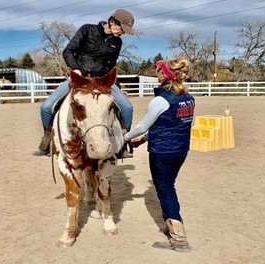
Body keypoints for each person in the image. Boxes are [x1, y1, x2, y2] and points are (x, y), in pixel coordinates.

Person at [33, 9, 135, 157]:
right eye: (122, 29)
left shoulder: (117, 42)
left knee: (127, 107)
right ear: (112, 22)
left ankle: (124, 142)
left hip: (102, 82)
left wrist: (117, 87)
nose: (123, 33)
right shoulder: (87, 30)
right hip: (80, 79)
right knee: (46, 107)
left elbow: (112, 65)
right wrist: (76, 70)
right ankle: (48, 138)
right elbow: (68, 51)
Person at [123, 59, 195, 252]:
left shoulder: (160, 100)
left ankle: (179, 238)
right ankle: (172, 224)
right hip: (181, 149)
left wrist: (125, 137)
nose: (157, 74)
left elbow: (142, 125)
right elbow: (177, 125)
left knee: (165, 190)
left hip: (162, 151)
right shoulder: (189, 98)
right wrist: (146, 138)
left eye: (158, 71)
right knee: (169, 186)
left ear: (165, 75)